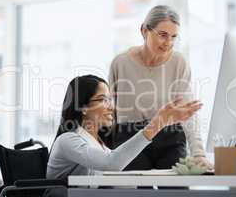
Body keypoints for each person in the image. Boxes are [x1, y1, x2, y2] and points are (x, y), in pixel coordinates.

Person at [45, 74, 202, 196]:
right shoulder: (68, 140)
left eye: (110, 100)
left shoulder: (100, 144)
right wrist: (157, 124)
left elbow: (114, 176)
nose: (111, 107)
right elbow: (111, 164)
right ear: (83, 107)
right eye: (103, 100)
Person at [107, 5, 212, 170]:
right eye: (163, 35)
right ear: (144, 31)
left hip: (170, 137)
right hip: (130, 138)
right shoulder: (120, 63)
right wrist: (104, 155)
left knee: (176, 191)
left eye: (174, 36)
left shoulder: (179, 63)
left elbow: (187, 112)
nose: (168, 43)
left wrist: (198, 154)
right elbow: (109, 112)